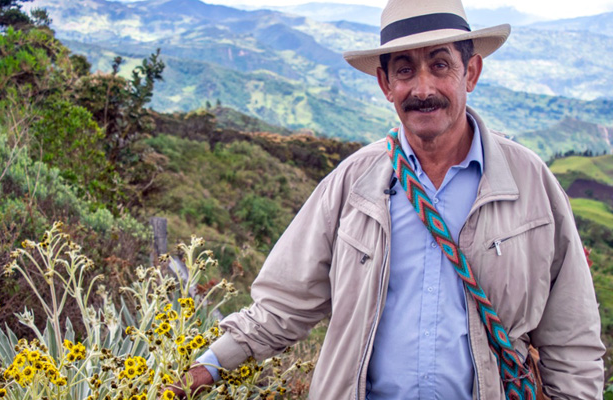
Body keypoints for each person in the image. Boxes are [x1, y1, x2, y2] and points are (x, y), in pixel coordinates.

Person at [171, 0, 605, 398]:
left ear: (471, 72)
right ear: (385, 83)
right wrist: (207, 366)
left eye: (440, 65)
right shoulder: (353, 184)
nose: (422, 88)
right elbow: (282, 305)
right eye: (404, 70)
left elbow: (572, 343)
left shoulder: (529, 185)